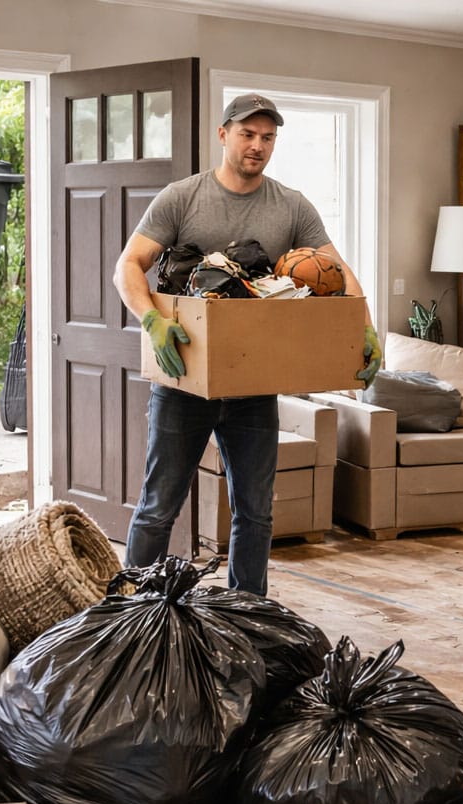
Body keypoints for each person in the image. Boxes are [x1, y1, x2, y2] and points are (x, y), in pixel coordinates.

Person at [113, 93, 381, 596]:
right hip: (183, 386)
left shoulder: (291, 206)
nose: (257, 146)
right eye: (247, 134)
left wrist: (363, 328)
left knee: (256, 512)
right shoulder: (182, 197)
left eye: (267, 137)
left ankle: (248, 611)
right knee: (158, 507)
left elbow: (338, 271)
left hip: (254, 386)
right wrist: (151, 319)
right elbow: (128, 265)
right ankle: (132, 610)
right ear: (223, 134)